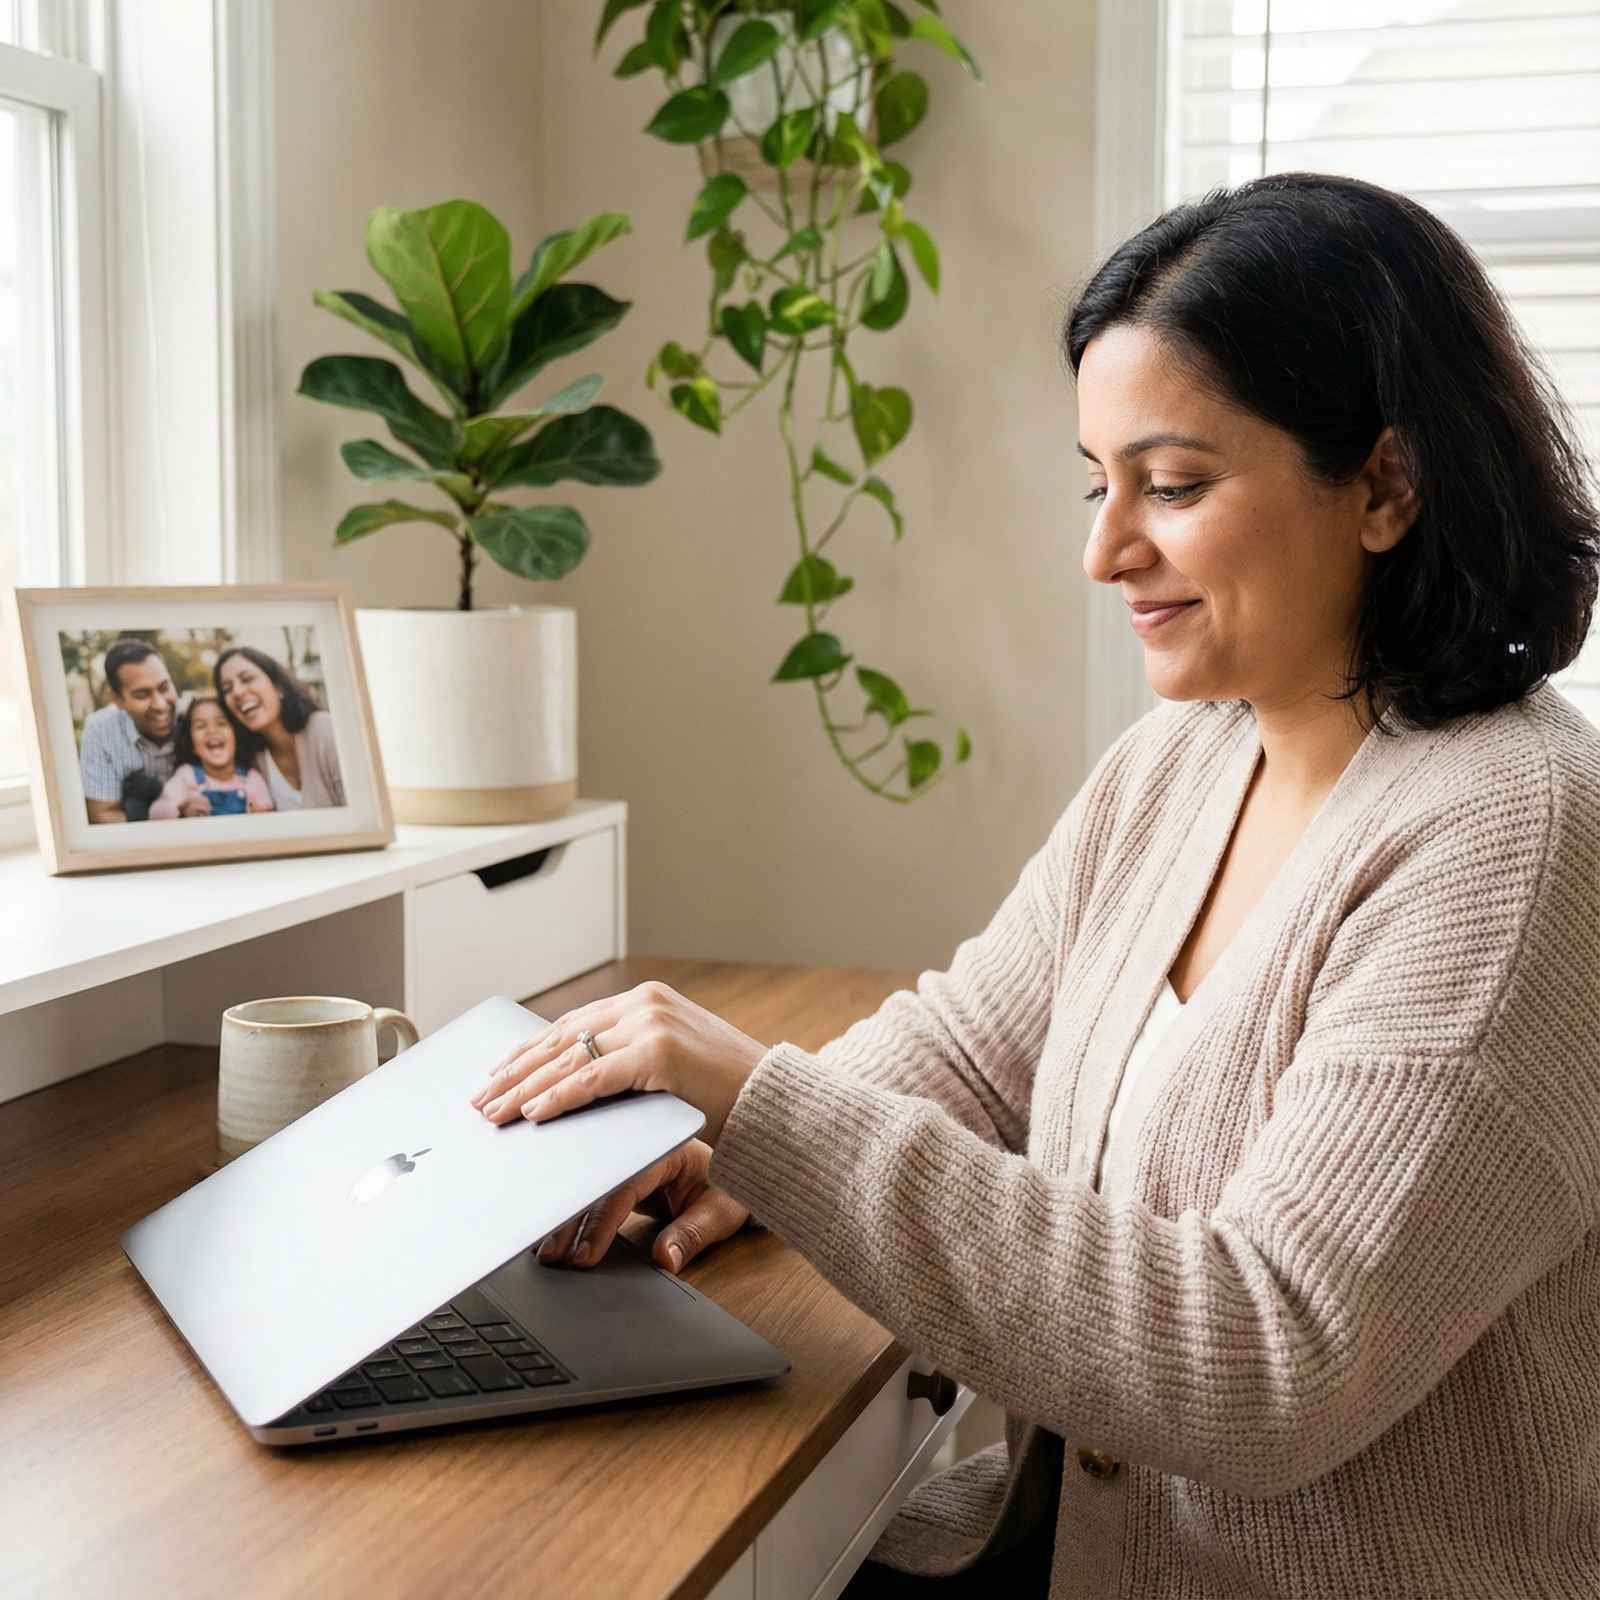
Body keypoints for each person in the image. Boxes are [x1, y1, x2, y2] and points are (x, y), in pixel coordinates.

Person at [472, 173, 1600, 1598]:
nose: (1104, 550)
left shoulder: (1515, 838)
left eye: (1174, 486)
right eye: (1098, 480)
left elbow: (1264, 1362)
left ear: (1384, 484)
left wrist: (764, 1102)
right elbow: (972, 1045)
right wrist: (727, 1153)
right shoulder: (1185, 761)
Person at [215, 646, 344, 810]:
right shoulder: (253, 762)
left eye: (247, 679)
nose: (238, 692)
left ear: (279, 687)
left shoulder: (325, 731)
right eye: (227, 689)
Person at [79, 637, 181, 824]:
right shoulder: (100, 730)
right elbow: (102, 816)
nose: (160, 705)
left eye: (164, 687)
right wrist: (172, 819)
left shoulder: (195, 716)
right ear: (117, 700)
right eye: (142, 694)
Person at [149, 694, 273, 819]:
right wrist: (181, 809)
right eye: (201, 726)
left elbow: (270, 819)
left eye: (221, 723)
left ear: (236, 735)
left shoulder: (251, 779)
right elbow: (155, 813)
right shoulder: (187, 777)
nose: (212, 731)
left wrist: (261, 814)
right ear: (191, 744)